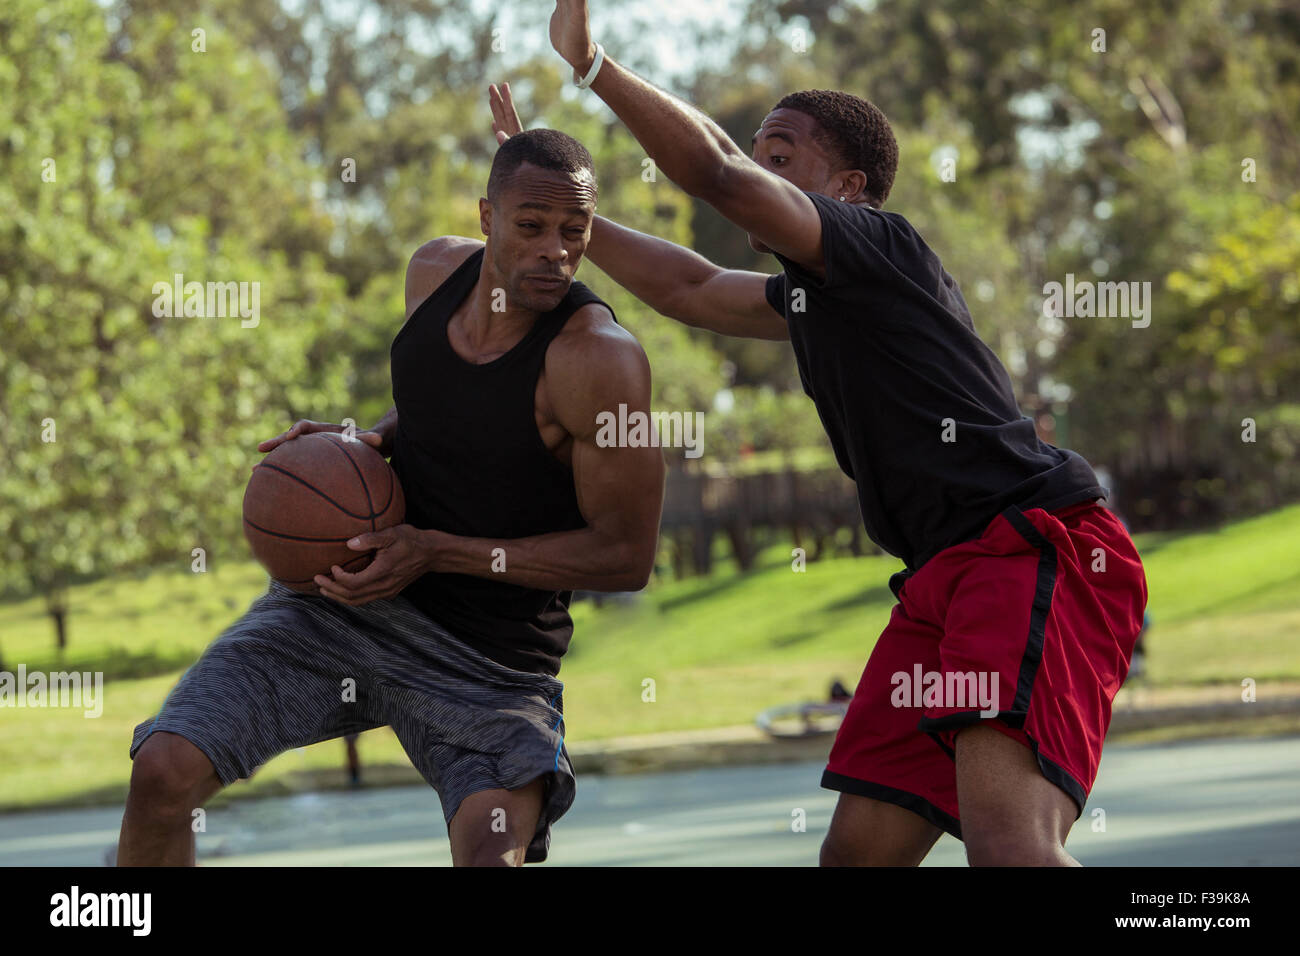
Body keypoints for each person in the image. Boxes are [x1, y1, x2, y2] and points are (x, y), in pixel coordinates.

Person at [493, 0, 1149, 866]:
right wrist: (564, 217)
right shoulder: (813, 299)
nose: (758, 171)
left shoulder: (881, 246)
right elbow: (688, 289)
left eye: (781, 157)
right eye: (759, 154)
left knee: (1010, 849)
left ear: (848, 190)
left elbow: (719, 176)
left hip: (1028, 549)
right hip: (941, 581)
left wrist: (594, 66)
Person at [117, 128, 665, 867]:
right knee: (161, 772)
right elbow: (449, 409)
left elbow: (625, 557)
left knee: (489, 855)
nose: (555, 251)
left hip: (488, 661)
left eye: (575, 231)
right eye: (531, 227)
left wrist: (435, 550)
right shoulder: (431, 275)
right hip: (343, 608)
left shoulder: (600, 360)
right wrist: (355, 443)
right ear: (486, 218)